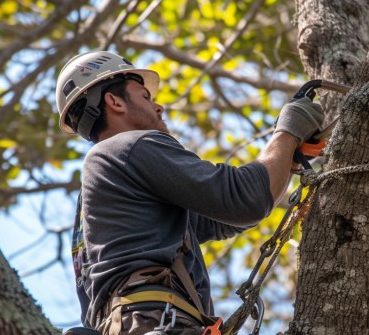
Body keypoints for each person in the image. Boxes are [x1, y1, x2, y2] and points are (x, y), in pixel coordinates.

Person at [56, 51, 323, 335]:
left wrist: (286, 159)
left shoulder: (105, 187)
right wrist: (288, 130)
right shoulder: (129, 147)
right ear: (114, 101)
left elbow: (226, 217)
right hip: (154, 319)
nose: (159, 108)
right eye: (145, 97)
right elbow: (245, 199)